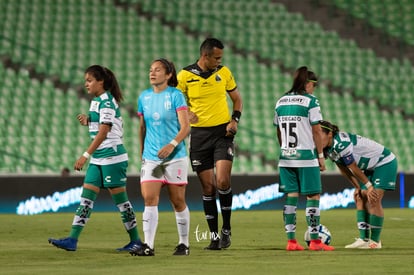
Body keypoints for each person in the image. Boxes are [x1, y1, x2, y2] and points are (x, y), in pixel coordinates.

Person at [48, 65, 142, 252]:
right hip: (99, 159)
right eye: (85, 80)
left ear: (101, 82)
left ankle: (136, 240)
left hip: (112, 157)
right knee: (86, 198)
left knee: (121, 202)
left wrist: (85, 155)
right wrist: (88, 120)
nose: (86, 84)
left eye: (89, 80)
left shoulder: (107, 101)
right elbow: (99, 122)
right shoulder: (96, 101)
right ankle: (72, 240)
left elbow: (104, 130)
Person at [176, 38, 243, 250]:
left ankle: (226, 229)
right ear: (205, 56)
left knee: (222, 181)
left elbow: (237, 100)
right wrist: (187, 113)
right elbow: (176, 102)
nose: (219, 61)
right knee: (208, 187)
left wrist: (235, 120)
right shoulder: (185, 75)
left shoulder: (224, 73)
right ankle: (214, 237)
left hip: (223, 133)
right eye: (217, 58)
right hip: (198, 137)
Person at [129, 58, 191, 256]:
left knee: (178, 201)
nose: (152, 73)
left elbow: (185, 127)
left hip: (175, 158)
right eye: (150, 70)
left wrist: (171, 144)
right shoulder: (143, 97)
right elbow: (142, 127)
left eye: (157, 70)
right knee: (149, 198)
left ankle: (184, 243)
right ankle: (148, 246)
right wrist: (142, 151)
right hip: (152, 158)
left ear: (169, 74)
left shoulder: (176, 95)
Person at [274, 66, 334, 251]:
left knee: (291, 196)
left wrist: (285, 148)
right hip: (306, 157)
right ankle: (315, 241)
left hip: (286, 157)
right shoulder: (311, 101)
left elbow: (278, 130)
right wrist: (321, 156)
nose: (314, 89)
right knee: (313, 195)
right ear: (308, 83)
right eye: (313, 85)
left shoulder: (280, 101)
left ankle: (291, 242)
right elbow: (317, 130)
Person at [320, 120, 397, 249]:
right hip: (369, 167)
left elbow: (353, 167)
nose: (316, 138)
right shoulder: (329, 148)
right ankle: (364, 239)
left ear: (330, 134)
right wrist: (357, 186)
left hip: (384, 162)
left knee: (374, 198)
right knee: (359, 197)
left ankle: (375, 241)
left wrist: (369, 186)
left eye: (319, 134)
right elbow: (343, 168)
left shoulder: (341, 144)